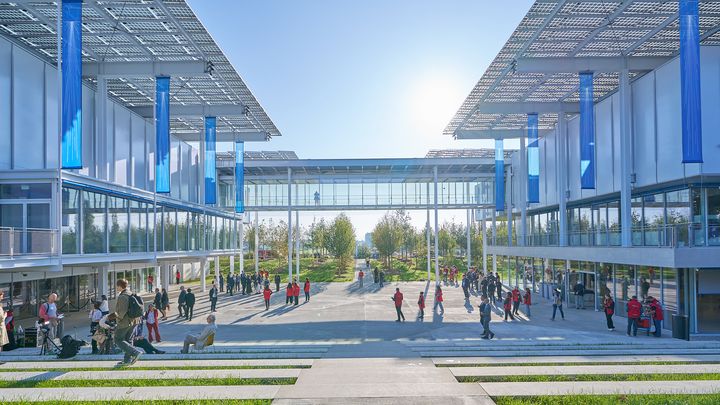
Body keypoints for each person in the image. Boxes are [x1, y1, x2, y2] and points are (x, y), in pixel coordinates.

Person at [114, 278, 143, 366]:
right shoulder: (131, 293)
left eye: (117, 286)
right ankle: (127, 360)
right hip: (135, 320)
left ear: (119, 286)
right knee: (128, 339)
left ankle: (135, 352)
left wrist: (117, 320)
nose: (116, 288)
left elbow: (121, 312)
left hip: (125, 322)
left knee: (118, 339)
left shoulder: (123, 296)